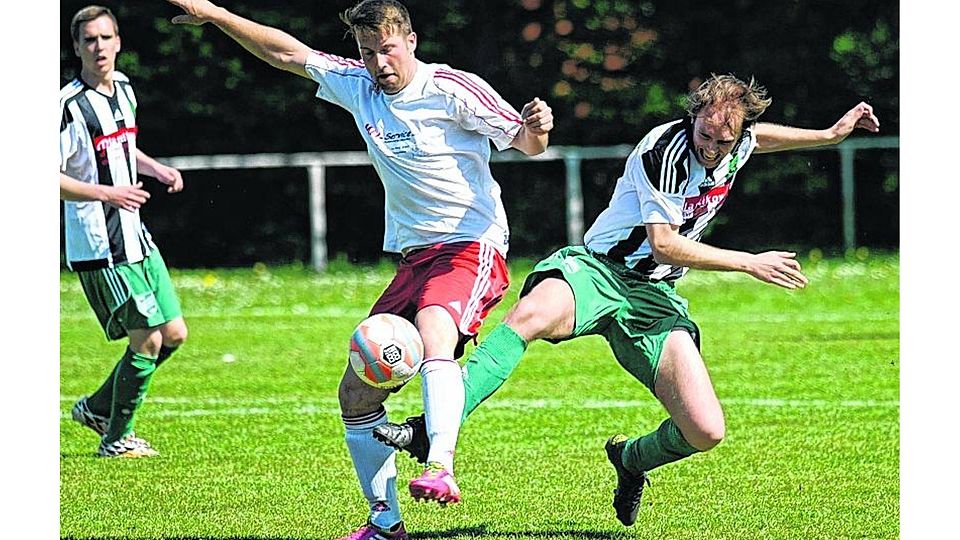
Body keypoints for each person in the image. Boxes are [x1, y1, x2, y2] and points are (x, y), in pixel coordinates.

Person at [375, 74, 881, 526]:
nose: (712, 148)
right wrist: (749, 261)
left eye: (724, 140)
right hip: (596, 270)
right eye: (704, 135)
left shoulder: (736, 140)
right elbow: (664, 243)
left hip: (654, 296)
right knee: (527, 318)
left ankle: (631, 460)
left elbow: (757, 139)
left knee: (706, 431)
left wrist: (829, 135)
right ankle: (433, 431)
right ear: (693, 119)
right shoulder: (664, 150)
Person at [164, 0, 553, 537]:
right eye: (368, 52)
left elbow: (527, 144)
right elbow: (286, 51)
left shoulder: (452, 89)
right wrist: (214, 13)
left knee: (437, 327)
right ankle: (385, 523)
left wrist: (538, 127)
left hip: (471, 244)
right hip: (414, 257)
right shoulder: (359, 84)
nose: (379, 63)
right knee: (356, 389)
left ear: (411, 41)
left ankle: (441, 464)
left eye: (387, 49)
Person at [61, 5, 189, 458]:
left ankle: (98, 409)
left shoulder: (125, 90)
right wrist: (107, 194)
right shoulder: (67, 107)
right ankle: (116, 439)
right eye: (89, 40)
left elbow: (125, 149)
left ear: (118, 42)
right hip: (100, 242)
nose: (98, 47)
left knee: (173, 333)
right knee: (147, 338)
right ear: (76, 47)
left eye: (105, 37)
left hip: (136, 235)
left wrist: (156, 168)